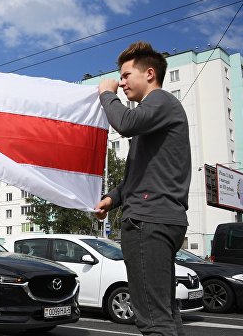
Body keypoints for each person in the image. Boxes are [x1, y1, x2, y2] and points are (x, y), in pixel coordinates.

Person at [94, 41, 190, 336]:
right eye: (119, 78)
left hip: (149, 219)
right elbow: (138, 176)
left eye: (125, 75)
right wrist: (113, 197)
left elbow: (124, 122)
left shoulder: (160, 100)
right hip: (158, 217)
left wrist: (106, 94)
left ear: (149, 73)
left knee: (152, 319)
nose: (121, 83)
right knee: (164, 313)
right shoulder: (155, 115)